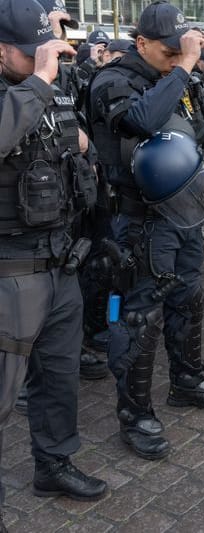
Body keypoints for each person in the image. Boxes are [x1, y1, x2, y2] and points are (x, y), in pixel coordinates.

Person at [89, 0, 204, 460]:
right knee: (140, 315)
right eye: (170, 51)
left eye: (182, 50)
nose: (178, 57)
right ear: (142, 44)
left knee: (189, 295)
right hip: (136, 219)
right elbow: (140, 120)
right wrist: (186, 66)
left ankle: (187, 379)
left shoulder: (175, 80)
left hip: (183, 212)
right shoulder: (113, 80)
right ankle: (134, 414)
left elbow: (198, 127)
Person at [0, 0, 108, 516]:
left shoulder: (50, 87)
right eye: (34, 53)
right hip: (9, 270)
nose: (50, 61)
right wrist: (40, 81)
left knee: (59, 378)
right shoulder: (31, 87)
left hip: (59, 261)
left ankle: (54, 464)